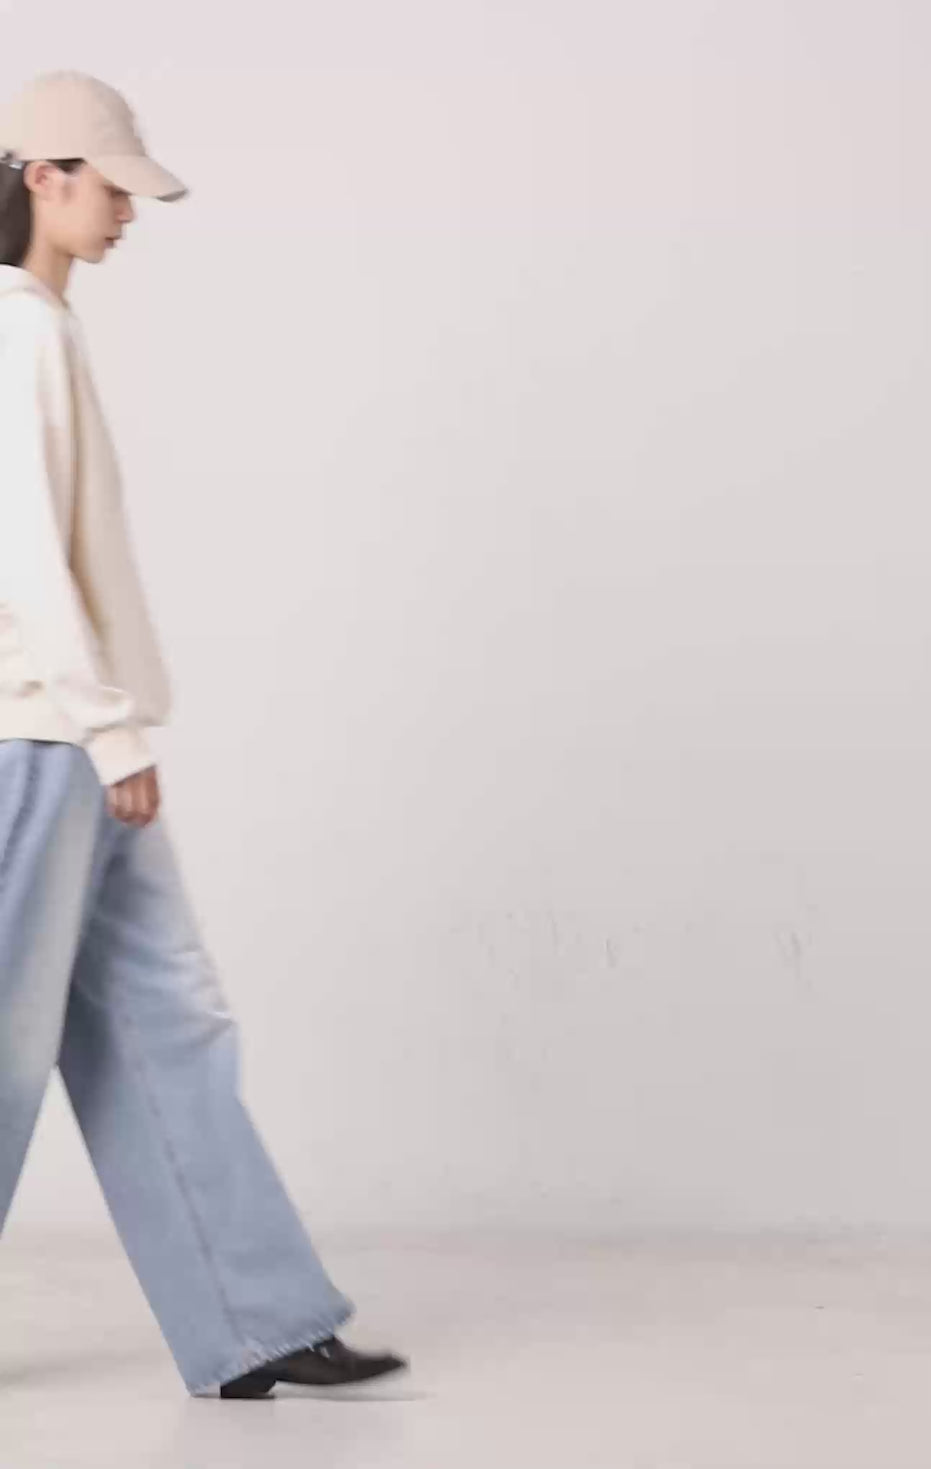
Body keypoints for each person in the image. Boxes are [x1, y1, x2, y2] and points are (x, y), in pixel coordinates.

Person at [0, 70, 408, 1399]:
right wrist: (109, 732)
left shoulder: (44, 325)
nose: (128, 212)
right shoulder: (14, 333)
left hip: (76, 741)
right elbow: (21, 558)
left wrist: (109, 729)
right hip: (38, 740)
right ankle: (254, 1318)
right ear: (43, 177)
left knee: (168, 1022)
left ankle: (254, 1322)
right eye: (111, 187)